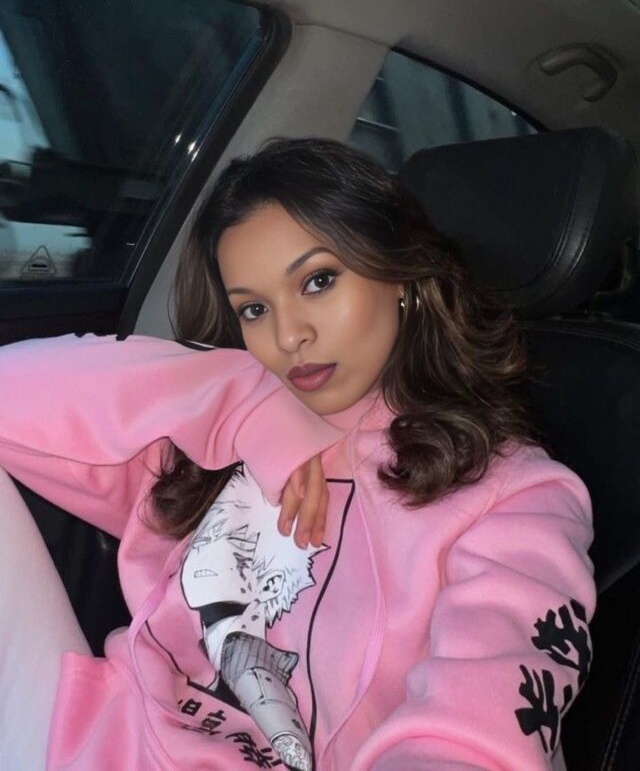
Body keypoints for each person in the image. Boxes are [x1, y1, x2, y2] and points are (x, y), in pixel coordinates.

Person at [0, 138, 595, 771]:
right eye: (254, 309)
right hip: (102, 739)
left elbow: (478, 726)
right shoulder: (214, 443)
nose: (288, 337)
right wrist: (243, 403)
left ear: (400, 275)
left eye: (318, 281)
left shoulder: (517, 496)